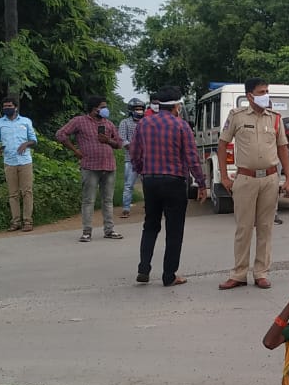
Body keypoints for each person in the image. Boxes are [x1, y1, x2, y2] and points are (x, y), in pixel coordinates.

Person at [217, 79, 289, 290]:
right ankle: (239, 274)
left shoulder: (276, 119)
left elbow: (283, 149)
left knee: (266, 228)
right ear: (250, 95)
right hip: (245, 179)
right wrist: (224, 176)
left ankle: (261, 272)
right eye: (261, 92)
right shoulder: (237, 116)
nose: (266, 95)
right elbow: (222, 145)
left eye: (267, 91)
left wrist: (287, 178)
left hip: (269, 179)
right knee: (244, 228)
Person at [130, 88, 208, 286]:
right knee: (174, 230)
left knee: (150, 225)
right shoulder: (181, 126)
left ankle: (144, 268)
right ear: (176, 106)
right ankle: (169, 275)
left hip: (150, 180)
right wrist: (201, 183)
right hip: (174, 182)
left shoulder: (143, 124)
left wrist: (142, 171)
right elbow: (191, 157)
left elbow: (135, 153)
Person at [55, 96, 123, 243]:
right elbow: (61, 134)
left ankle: (109, 230)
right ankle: (87, 232)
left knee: (108, 200)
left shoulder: (109, 124)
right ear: (94, 109)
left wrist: (108, 140)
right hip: (90, 166)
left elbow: (119, 143)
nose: (105, 109)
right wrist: (75, 151)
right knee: (88, 200)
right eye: (102, 106)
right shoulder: (79, 121)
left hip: (109, 166)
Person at [0, 96, 38, 232]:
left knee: (27, 192)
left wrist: (26, 143)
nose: (7, 108)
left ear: (15, 107)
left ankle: (28, 221)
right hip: (9, 162)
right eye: (5, 106)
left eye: (9, 106)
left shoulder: (26, 121)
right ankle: (16, 221)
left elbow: (34, 140)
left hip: (25, 161)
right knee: (13, 194)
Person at [117, 97, 147, 218]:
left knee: (148, 185)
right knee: (129, 185)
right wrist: (136, 150)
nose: (139, 111)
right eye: (136, 109)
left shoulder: (147, 122)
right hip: (131, 160)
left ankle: (149, 206)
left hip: (146, 159)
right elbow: (122, 140)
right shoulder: (125, 123)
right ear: (131, 110)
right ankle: (126, 208)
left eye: (141, 109)